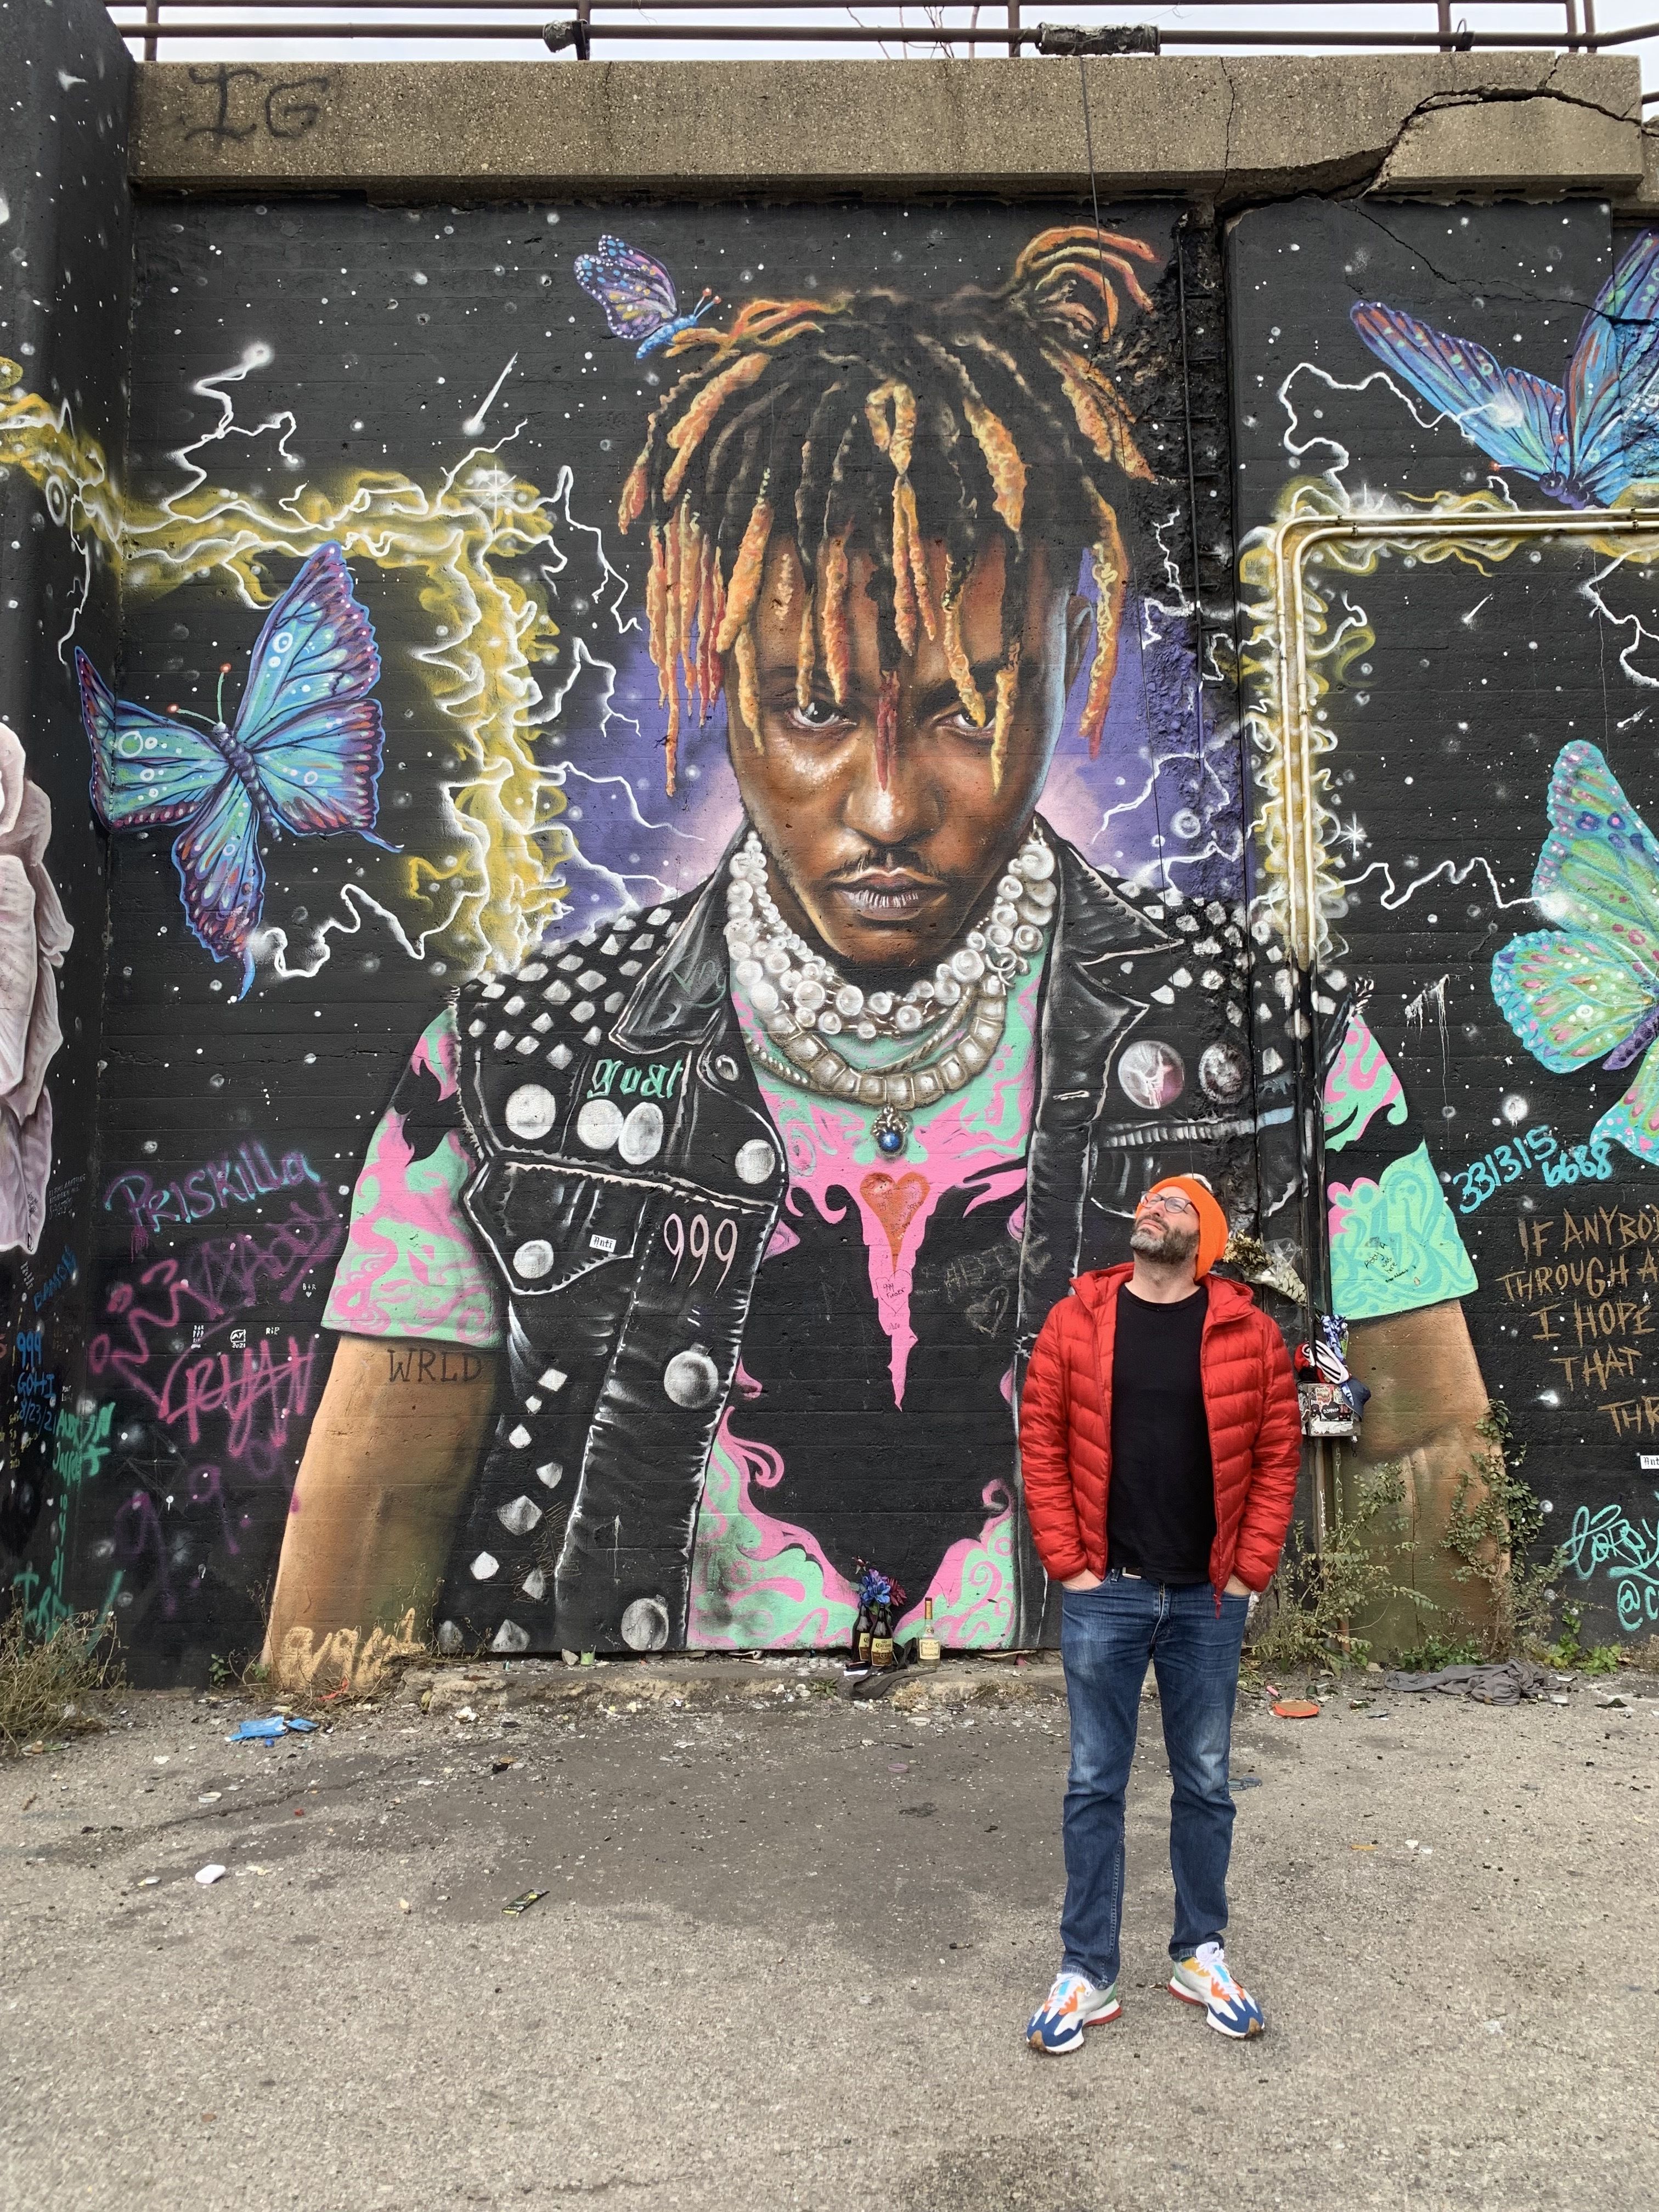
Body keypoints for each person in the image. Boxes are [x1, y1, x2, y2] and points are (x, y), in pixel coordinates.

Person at [262, 224, 1268, 1683]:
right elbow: (363, 1541)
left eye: (966, 711)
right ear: (719, 673)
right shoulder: (499, 1071)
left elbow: (1426, 1466)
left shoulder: (1254, 1030)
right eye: (812, 709)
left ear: (1067, 654)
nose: (885, 807)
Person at [1017, 1172, 1301, 2051]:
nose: (1153, 1209)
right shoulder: (1077, 1321)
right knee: (1093, 1782)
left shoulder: (1251, 1333)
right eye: (1149, 1200)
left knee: (1205, 1782)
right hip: (1108, 1588)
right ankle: (1087, 1970)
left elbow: (1277, 1453)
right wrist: (1070, 1565)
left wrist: (1249, 1573)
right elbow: (1042, 1439)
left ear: (1203, 1237)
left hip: (1207, 1598)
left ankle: (1198, 1953)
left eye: (1175, 1204)